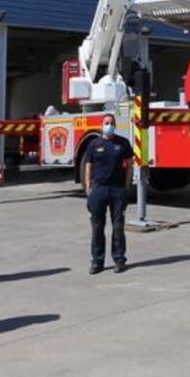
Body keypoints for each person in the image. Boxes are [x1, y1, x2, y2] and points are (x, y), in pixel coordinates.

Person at [82, 113, 134, 274]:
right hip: (99, 190)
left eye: (111, 123)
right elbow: (88, 166)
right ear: (101, 125)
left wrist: (126, 187)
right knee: (97, 227)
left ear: (115, 125)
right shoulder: (94, 144)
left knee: (118, 227)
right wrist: (88, 189)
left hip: (118, 190)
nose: (109, 125)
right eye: (106, 123)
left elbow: (130, 166)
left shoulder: (123, 143)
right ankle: (97, 262)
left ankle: (119, 260)